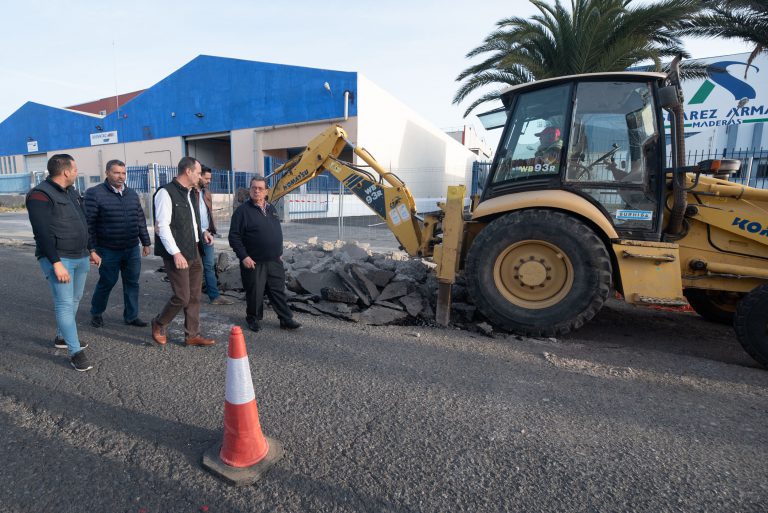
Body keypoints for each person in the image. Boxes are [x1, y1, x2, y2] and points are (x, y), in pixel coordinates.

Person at [26, 154, 101, 371]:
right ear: (66, 171)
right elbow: (41, 232)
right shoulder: (39, 195)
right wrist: (56, 262)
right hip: (60, 259)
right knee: (65, 303)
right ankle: (75, 351)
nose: (77, 172)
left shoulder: (72, 192)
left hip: (80, 255)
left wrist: (91, 249)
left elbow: (83, 223)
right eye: (75, 169)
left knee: (75, 298)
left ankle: (61, 337)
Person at [151, 156, 215, 347]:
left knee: (195, 296)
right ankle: (159, 323)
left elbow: (192, 220)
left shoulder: (190, 192)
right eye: (197, 173)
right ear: (188, 171)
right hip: (177, 253)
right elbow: (162, 226)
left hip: (194, 250)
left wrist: (202, 232)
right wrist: (176, 253)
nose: (199, 177)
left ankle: (192, 335)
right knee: (182, 296)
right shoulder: (165, 193)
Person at [85, 159, 152, 329]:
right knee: (107, 281)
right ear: (107, 173)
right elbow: (88, 224)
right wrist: (91, 249)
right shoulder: (95, 193)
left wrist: (145, 242)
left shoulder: (131, 194)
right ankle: (97, 313)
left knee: (132, 283)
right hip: (108, 249)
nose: (121, 176)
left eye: (123, 173)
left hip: (131, 248)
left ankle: (131, 316)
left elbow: (139, 219)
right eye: (116, 173)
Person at [228, 176, 300, 332]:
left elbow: (276, 231)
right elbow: (234, 237)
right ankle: (253, 318)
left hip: (274, 260)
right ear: (250, 189)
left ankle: (285, 319)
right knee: (255, 293)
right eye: (253, 188)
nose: (256, 191)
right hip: (253, 261)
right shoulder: (242, 212)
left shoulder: (271, 209)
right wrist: (244, 257)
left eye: (260, 188)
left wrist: (279, 252)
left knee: (278, 291)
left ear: (266, 191)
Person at [196, 165, 232, 305]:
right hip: (193, 234)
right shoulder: (189, 193)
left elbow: (208, 214)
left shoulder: (206, 193)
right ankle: (188, 297)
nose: (209, 181)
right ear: (198, 176)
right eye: (206, 178)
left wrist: (211, 230)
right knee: (194, 267)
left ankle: (214, 296)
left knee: (209, 266)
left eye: (210, 178)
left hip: (207, 235)